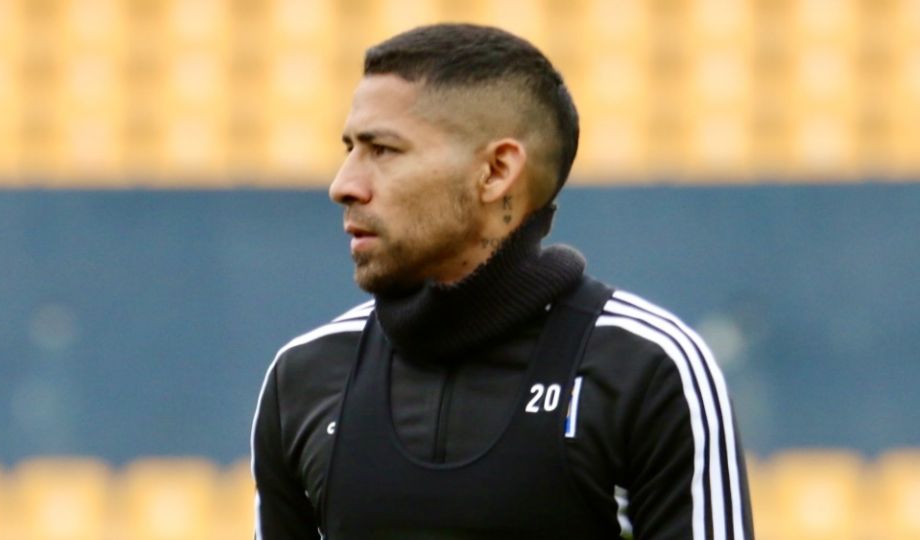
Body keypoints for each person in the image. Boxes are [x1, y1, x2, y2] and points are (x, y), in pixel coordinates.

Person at [251, 23, 753, 540]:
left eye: (382, 150)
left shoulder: (647, 367)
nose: (344, 185)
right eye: (349, 148)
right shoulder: (304, 378)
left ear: (495, 171)